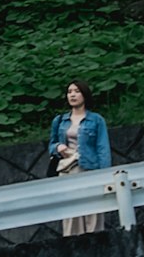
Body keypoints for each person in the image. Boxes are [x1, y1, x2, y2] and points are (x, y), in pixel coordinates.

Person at [46, 79, 111, 237]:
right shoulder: (60, 120)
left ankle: (96, 246)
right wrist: (57, 147)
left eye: (76, 91)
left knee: (93, 210)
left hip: (89, 168)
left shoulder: (96, 120)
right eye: (69, 92)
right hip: (68, 170)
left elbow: (103, 148)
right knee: (71, 212)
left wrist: (105, 175)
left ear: (84, 95)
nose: (72, 95)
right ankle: (73, 248)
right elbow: (51, 145)